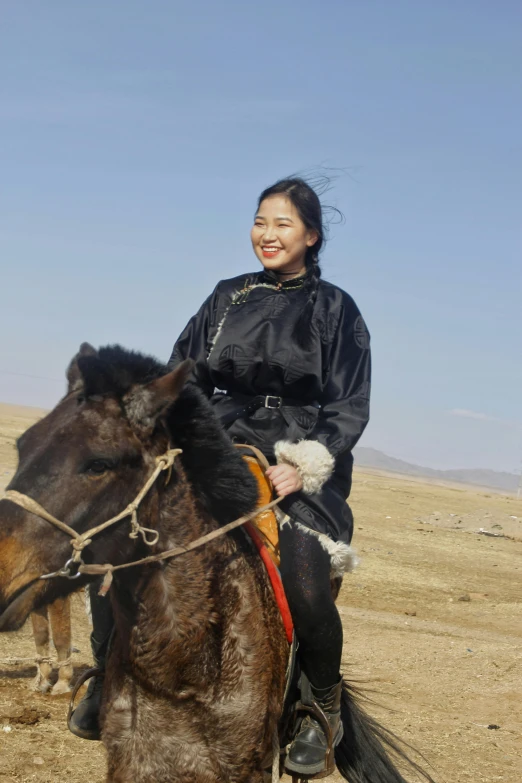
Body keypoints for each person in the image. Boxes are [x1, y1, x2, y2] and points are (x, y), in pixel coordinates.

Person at [70, 177, 371, 779]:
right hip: (217, 439)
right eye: (261, 221)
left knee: (307, 584)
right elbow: (187, 375)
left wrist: (303, 463)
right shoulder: (226, 295)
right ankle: (108, 673)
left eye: (284, 224)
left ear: (311, 236)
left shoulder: (337, 308)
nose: (268, 234)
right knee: (114, 549)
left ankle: (319, 708)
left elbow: (348, 404)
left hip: (293, 454)